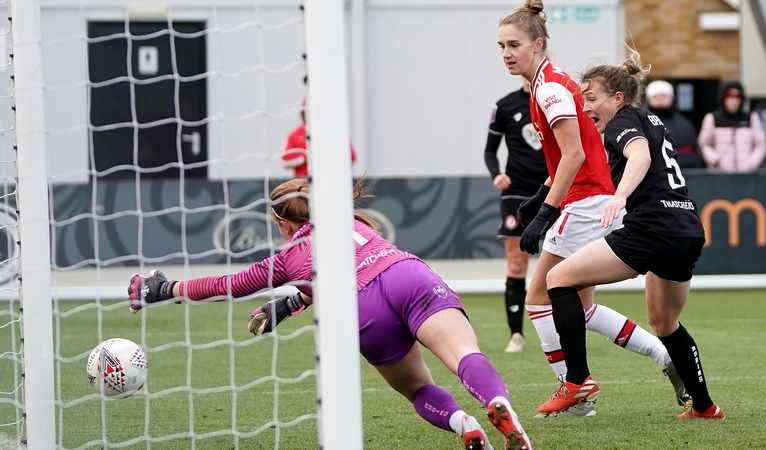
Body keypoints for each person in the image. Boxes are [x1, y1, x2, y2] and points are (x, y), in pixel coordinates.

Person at [128, 178, 533, 450]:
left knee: (416, 389)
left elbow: (229, 284)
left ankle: (464, 424)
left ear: (283, 223)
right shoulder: (348, 219)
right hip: (405, 277)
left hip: (362, 310)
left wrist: (165, 289)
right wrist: (295, 301)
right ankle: (498, 404)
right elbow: (348, 264)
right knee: (464, 355)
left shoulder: (288, 256)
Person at [498, 0, 689, 418]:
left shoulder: (549, 89)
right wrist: (540, 195)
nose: (507, 54)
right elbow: (570, 153)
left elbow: (575, 155)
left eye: (514, 45)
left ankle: (576, 389)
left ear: (538, 44)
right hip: (592, 197)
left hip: (585, 201)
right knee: (578, 309)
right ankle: (664, 355)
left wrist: (546, 213)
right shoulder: (549, 83)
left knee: (539, 297)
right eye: (501, 46)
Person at [541, 49, 725, 420]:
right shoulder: (650, 119)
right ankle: (705, 407)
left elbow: (639, 157)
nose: (586, 107)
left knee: (557, 279)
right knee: (664, 323)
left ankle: (576, 381)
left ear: (618, 98)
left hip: (653, 226)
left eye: (591, 98)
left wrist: (620, 197)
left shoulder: (622, 121)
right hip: (686, 227)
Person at [484, 77, 549, 353]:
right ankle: (516, 335)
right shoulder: (505, 105)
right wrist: (496, 174)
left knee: (564, 263)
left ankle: (566, 328)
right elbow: (490, 150)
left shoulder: (555, 101)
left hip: (554, 190)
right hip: (517, 194)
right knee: (517, 263)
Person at [697, 80, 766, 172]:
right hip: (721, 174)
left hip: (746, 174)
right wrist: (716, 160)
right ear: (723, 98)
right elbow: (703, 143)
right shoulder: (712, 119)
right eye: (729, 97)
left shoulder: (751, 118)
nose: (733, 101)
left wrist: (751, 163)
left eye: (737, 97)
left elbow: (761, 144)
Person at [281, 96, 357, 177]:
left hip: (331, 179)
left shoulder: (336, 132)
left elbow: (351, 157)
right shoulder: (296, 134)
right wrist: (306, 155)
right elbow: (285, 159)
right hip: (304, 181)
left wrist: (329, 155)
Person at [645, 80, 705, 169]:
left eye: (663, 96)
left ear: (671, 99)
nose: (660, 100)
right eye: (656, 97)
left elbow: (693, 153)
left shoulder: (684, 124)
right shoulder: (642, 123)